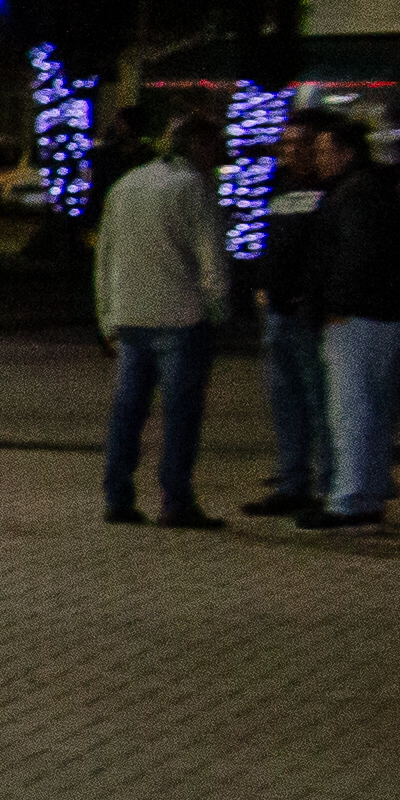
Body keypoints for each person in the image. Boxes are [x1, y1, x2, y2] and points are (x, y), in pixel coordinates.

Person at [96, 111, 230, 530]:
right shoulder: (193, 187)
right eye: (213, 147)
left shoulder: (126, 185)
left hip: (130, 314)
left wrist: (107, 316)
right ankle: (175, 499)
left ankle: (118, 496)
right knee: (180, 413)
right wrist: (218, 306)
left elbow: (106, 255)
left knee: (128, 411)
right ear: (198, 146)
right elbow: (210, 255)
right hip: (180, 315)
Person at [313, 108, 400, 534]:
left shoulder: (354, 192)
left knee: (351, 407)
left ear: (346, 151)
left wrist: (336, 303)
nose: (319, 157)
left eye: (325, 149)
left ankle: (349, 499)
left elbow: (355, 254)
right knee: (377, 406)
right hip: (387, 313)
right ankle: (368, 492)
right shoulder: (382, 188)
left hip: (357, 315)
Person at [243, 111, 336, 520]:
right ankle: (292, 482)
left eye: (300, 144)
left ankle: (329, 486)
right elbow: (271, 241)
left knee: (319, 404)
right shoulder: (280, 185)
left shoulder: (330, 190)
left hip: (307, 314)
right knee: (286, 403)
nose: (291, 151)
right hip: (277, 312)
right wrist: (262, 287)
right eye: (287, 144)